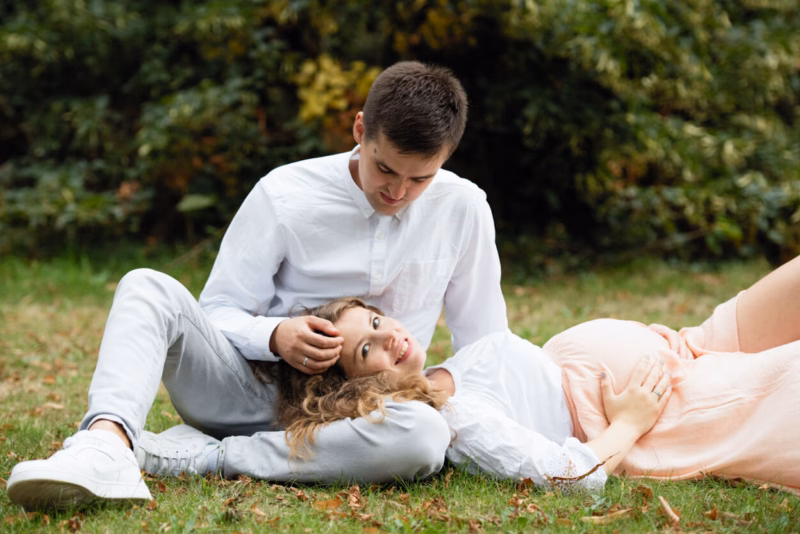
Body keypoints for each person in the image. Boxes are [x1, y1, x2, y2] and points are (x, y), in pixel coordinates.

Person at [6, 61, 508, 511]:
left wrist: (429, 392)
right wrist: (275, 335)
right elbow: (218, 308)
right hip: (251, 392)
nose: (397, 192)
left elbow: (485, 343)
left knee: (424, 437)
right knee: (146, 285)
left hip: (364, 420)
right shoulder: (285, 193)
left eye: (420, 179)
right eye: (384, 168)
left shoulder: (463, 207)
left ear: (446, 157)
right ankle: (107, 445)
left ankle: (202, 456)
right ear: (360, 129)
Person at [267, 256, 800, 493]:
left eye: (376, 321)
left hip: (686, 344)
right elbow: (568, 476)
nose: (389, 335)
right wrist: (629, 425)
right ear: (359, 389)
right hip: (674, 410)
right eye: (367, 349)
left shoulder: (446, 369)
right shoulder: (455, 421)